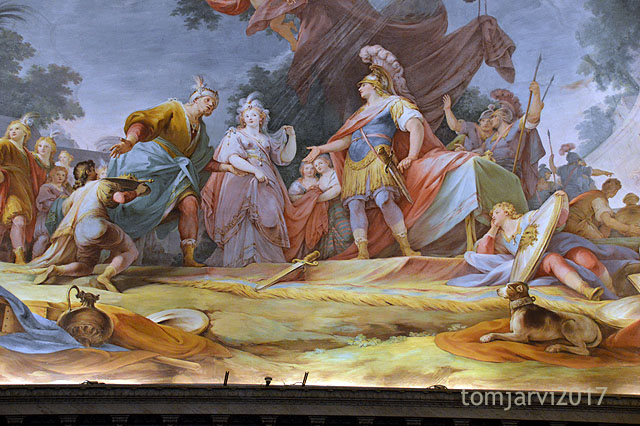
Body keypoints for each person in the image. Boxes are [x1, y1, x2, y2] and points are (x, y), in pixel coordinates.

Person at [303, 45, 475, 260]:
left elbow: (415, 125)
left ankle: (405, 247)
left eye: (363, 84)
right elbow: (347, 140)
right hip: (354, 165)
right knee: (355, 205)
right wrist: (322, 148)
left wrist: (412, 156)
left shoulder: (393, 103)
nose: (359, 88)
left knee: (384, 199)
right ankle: (362, 252)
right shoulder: (359, 114)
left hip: (379, 159)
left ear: (375, 85)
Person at [107, 76, 238, 267]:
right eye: (209, 100)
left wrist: (228, 167)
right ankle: (116, 243)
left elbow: (200, 160)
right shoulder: (173, 108)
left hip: (175, 172)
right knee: (135, 204)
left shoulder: (200, 129)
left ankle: (188, 257)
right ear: (196, 99)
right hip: (151, 162)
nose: (212, 106)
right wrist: (129, 142)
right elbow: (145, 123)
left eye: (214, 105)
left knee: (190, 203)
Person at [448, 195, 640, 300]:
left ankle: (612, 293)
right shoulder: (499, 238)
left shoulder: (528, 218)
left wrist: (559, 202)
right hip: (538, 261)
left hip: (559, 244)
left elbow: (555, 219)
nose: (493, 215)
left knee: (586, 259)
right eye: (492, 215)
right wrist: (492, 228)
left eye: (496, 212)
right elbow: (484, 255)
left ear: (507, 211)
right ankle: (586, 291)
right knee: (553, 260)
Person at [202, 92, 297, 267]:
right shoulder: (235, 135)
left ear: (261, 118)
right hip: (240, 180)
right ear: (243, 119)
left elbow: (285, 158)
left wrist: (292, 137)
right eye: (247, 116)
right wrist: (254, 171)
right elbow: (232, 158)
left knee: (269, 213)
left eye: (254, 115)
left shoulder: (267, 139)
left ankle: (266, 260)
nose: (250, 118)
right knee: (242, 215)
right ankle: (241, 261)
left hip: (266, 181)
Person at [29, 176, 151, 292]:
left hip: (80, 232)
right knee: (131, 251)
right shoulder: (105, 184)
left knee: (86, 266)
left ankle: (57, 270)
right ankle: (105, 276)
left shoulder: (81, 190)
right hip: (95, 224)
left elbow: (65, 208)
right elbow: (120, 198)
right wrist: (137, 192)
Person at [480, 86, 546, 200]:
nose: (490, 120)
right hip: (490, 173)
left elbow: (533, 118)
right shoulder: (490, 139)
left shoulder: (514, 128)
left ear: (502, 116)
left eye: (493, 117)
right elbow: (479, 152)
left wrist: (536, 94)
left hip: (509, 175)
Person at [0, 113, 41, 264]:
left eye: (17, 129)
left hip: (23, 190)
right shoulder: (4, 144)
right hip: (8, 187)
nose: (13, 131)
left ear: (25, 133)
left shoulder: (27, 153)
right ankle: (19, 256)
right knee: (18, 220)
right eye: (11, 129)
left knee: (14, 223)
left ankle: (17, 256)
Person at [564, 178, 640, 239]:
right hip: (575, 224)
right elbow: (608, 221)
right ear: (615, 191)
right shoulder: (599, 199)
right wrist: (629, 228)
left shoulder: (593, 193)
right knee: (601, 242)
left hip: (569, 221)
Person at [312, 154, 353, 259]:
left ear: (327, 162)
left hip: (340, 206)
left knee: (346, 232)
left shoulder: (335, 173)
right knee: (329, 232)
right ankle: (338, 256)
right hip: (327, 210)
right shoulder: (319, 180)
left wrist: (315, 200)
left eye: (320, 163)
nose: (318, 166)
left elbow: (336, 190)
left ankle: (350, 253)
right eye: (316, 166)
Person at [32, 166, 72, 258]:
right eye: (58, 174)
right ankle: (34, 258)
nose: (60, 177)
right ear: (52, 175)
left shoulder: (65, 190)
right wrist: (60, 200)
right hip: (47, 218)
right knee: (43, 239)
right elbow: (45, 203)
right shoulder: (46, 187)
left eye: (63, 175)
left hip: (60, 218)